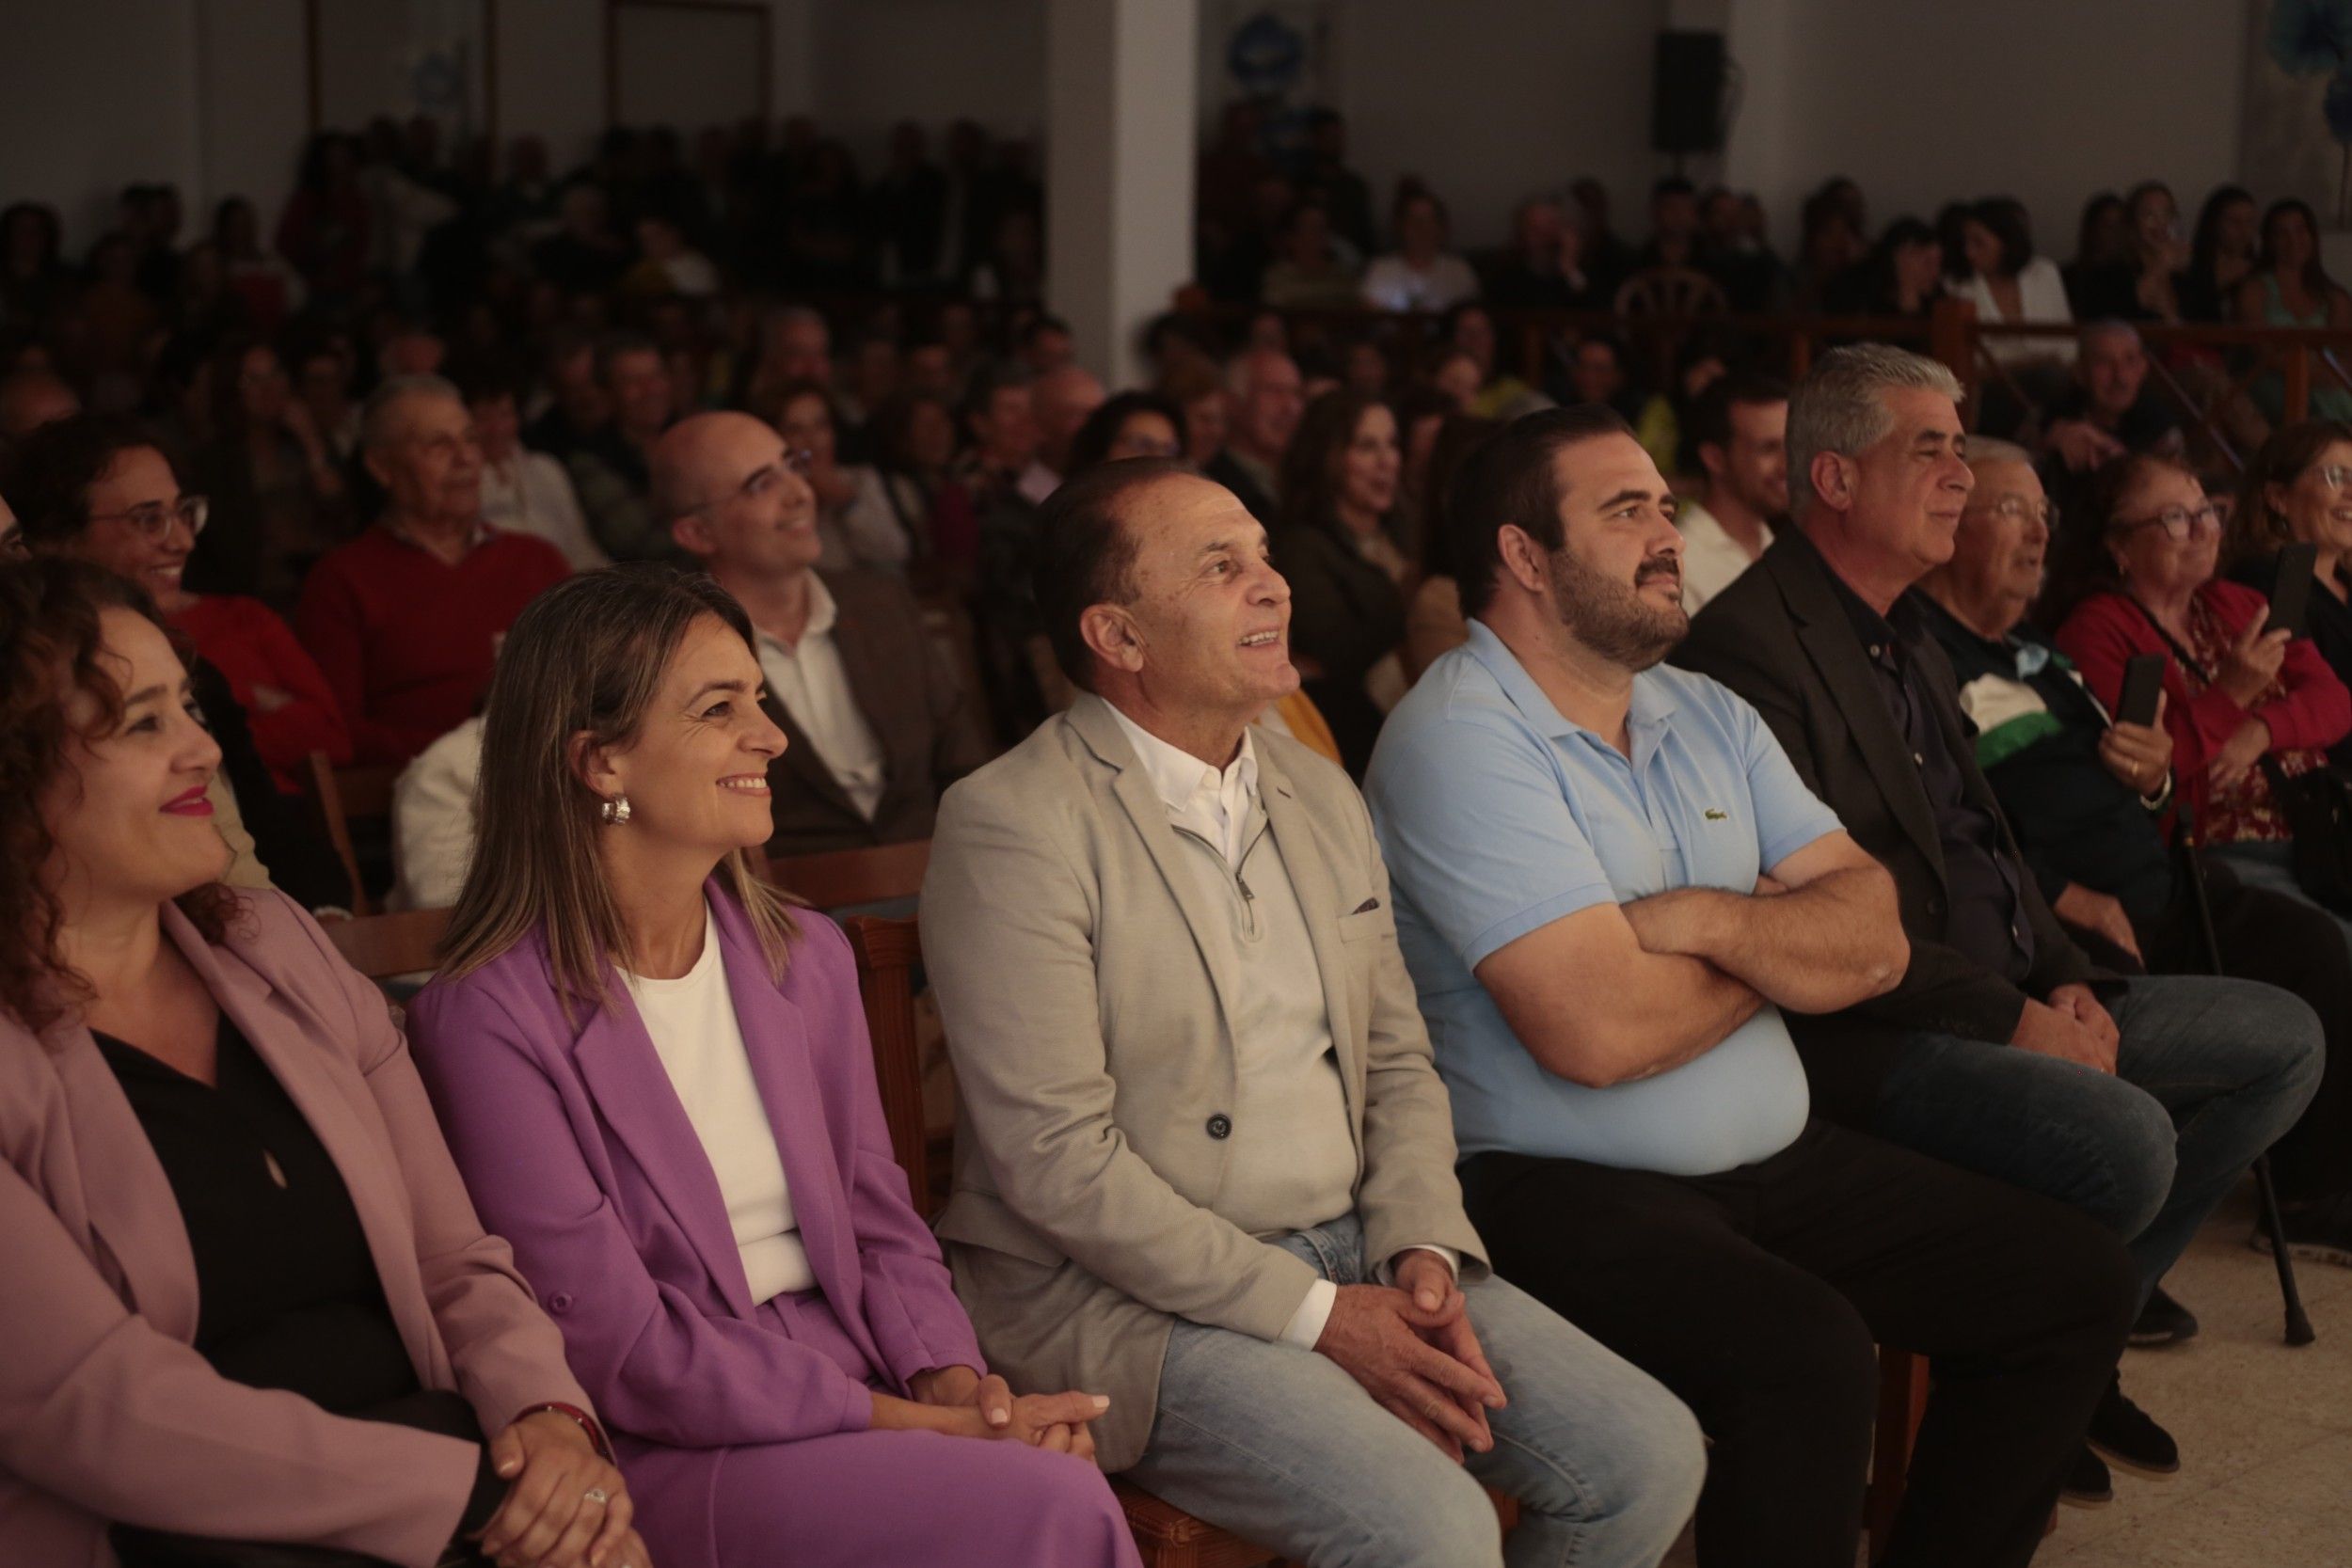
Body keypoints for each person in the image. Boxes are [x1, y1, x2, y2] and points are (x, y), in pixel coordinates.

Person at [1367, 407, 2137, 1567]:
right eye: (1623, 509)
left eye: (1664, 504)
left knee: (2072, 1281)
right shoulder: (1461, 736)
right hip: (1551, 1185)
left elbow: (1872, 935)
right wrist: (1781, 955)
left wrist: (1702, 924)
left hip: (1773, 1156)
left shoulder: (1703, 707)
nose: (1665, 530)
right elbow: (1594, 1029)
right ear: (1524, 556)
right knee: (1808, 1351)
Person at [923, 456, 1706, 1567]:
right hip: (1129, 1298)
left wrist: (1420, 1237)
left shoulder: (1317, 788)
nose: (1273, 585)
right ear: (1118, 634)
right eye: (1220, 566)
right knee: (1431, 1527)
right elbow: (1056, 1161)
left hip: (1354, 1248)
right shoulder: (1014, 820)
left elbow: (1396, 1055)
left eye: (1265, 555)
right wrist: (1317, 1313)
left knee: (1646, 1453)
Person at [1675, 344, 2324, 1501]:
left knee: (2281, 1037)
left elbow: (1991, 845)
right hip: (1879, 1030)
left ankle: (2067, 1343)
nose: (1959, 476)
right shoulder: (1749, 650)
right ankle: (2045, 1342)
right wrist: (2012, 1019)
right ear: (1832, 478)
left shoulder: (1899, 629)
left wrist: (2067, 975)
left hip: (2013, 982)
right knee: (2125, 1140)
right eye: (1929, 447)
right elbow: (1806, 918)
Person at [405, 565, 1138, 1568]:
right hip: (682, 1437)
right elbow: (624, 1351)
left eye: (759, 697)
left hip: (863, 1378)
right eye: (719, 707)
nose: (772, 734)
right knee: (1050, 1503)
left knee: (1044, 1473)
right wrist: (926, 1430)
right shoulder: (487, 1016)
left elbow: (880, 1218)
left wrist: (963, 1389)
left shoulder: (803, 955)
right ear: (599, 760)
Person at [0, 557, 644, 1568]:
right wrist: (463, 1493)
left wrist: (550, 1422)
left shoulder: (279, 944)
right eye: (142, 723)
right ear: (13, 773)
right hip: (177, 1532)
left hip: (442, 1473)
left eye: (189, 707)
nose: (203, 749)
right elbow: (92, 1402)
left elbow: (455, 1257)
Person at [1927, 442, 2352, 1269]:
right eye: (2013, 512)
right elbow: (1948, 814)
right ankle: (2104, 1240)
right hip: (2081, 903)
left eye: (2043, 515)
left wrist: (2164, 771)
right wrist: (2057, 891)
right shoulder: (1993, 646)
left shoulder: (2042, 652)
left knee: (2310, 949)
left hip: (2171, 871)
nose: (2037, 535)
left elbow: (2154, 771)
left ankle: (2205, 1219)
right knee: (2304, 951)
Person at [6, 417, 355, 913]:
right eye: (149, 519)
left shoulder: (202, 673)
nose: (183, 541)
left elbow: (268, 825)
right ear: (58, 542)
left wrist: (318, 935)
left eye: (184, 513)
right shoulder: (37, 699)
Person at [2052, 451, 2352, 946]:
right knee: (2337, 946)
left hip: (2318, 832)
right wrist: (2229, 696)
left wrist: (2261, 730)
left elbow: (2336, 701)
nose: (2203, 530)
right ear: (2118, 547)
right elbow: (2141, 772)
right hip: (2214, 854)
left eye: (2207, 512)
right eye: (2174, 518)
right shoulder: (2096, 631)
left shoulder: (2237, 602)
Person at [656, 411, 987, 857]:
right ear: (697, 533)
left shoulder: (880, 603)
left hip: (935, 873)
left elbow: (963, 762)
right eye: (761, 484)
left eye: (793, 466)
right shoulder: (675, 653)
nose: (800, 493)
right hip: (784, 905)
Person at [297, 374, 571, 766]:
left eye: (471, 440)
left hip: (550, 784)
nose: (466, 459)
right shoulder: (341, 579)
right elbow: (337, 733)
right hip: (426, 798)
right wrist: (468, 753)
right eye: (439, 445)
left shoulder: (537, 560)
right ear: (381, 466)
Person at [1272, 390, 1412, 775]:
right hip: (1363, 736)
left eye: (1392, 444)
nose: (1387, 461)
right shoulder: (1302, 545)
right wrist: (1415, 605)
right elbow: (1333, 650)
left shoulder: (1408, 532)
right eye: (1367, 447)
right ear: (1329, 458)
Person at [2229, 420, 2352, 774]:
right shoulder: (2271, 579)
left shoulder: (2344, 582)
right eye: (2334, 476)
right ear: (2278, 498)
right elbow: (2294, 695)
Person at [188, 339, 351, 606]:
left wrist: (312, 444)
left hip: (318, 587)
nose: (270, 388)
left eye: (275, 373)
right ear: (232, 391)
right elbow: (222, 548)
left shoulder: (307, 441)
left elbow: (341, 513)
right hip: (253, 597)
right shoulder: (216, 460)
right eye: (252, 379)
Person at [463, 361, 611, 571]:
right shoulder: (462, 482)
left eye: (505, 414)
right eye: (483, 418)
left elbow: (579, 544)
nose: (497, 428)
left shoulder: (546, 469)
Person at [771, 380, 913, 572]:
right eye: (796, 430)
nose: (813, 441)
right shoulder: (771, 496)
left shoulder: (862, 480)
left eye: (821, 425)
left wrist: (848, 503)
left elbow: (895, 552)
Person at [1677, 372, 1788, 612]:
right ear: (1714, 458)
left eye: (1791, 446)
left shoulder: (1779, 549)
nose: (1787, 465)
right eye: (1769, 449)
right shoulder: (1683, 565)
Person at [2237, 198, 2352, 422]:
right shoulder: (2256, 289)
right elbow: (2263, 350)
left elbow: (2344, 352)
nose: (2293, 240)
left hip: (2328, 381)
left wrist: (2329, 374)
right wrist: (2307, 372)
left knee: (2337, 395)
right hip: (2274, 379)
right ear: (2269, 241)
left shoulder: (2333, 296)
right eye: (2282, 233)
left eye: (2300, 230)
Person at [567, 333, 677, 562]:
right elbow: (643, 544)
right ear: (608, 393)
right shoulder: (590, 460)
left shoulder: (689, 437)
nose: (651, 390)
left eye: (656, 376)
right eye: (633, 381)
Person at [2038, 322, 2185, 484]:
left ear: (2143, 368)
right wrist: (2049, 443)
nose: (2120, 377)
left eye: (2129, 360)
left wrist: (2111, 452)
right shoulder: (2054, 416)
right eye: (2104, 362)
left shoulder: (2161, 428)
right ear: (2080, 372)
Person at [1205, 347, 1304, 525]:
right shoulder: (1210, 487)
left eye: (1296, 393)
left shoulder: (1307, 478)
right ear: (1234, 401)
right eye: (1274, 391)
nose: (1291, 407)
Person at [1359, 188, 1481, 313]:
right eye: (1413, 219)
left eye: (1429, 220)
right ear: (1400, 226)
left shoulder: (1459, 271)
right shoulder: (1380, 270)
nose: (1421, 227)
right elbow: (1370, 315)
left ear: (1441, 227)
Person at [2181, 185, 2259, 324]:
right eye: (2234, 221)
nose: (2244, 230)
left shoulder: (2259, 268)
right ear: (2214, 223)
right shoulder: (2189, 266)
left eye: (2249, 221)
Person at [1260, 202, 1360, 310]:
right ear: (1291, 238)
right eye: (1313, 229)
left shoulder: (1342, 276)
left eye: (1324, 228)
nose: (1321, 235)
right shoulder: (1277, 278)